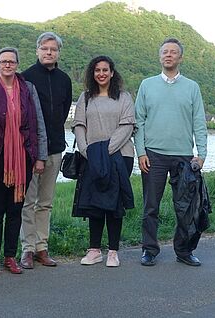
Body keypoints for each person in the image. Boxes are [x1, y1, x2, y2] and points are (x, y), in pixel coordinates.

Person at [135, 38, 208, 267]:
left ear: (180, 58)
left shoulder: (192, 87)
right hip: (153, 155)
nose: (168, 55)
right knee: (151, 206)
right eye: (165, 52)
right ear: (160, 56)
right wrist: (141, 152)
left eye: (173, 52)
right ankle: (149, 250)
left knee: (185, 207)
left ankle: (183, 251)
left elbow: (199, 122)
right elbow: (139, 121)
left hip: (183, 156)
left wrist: (202, 154)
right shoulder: (147, 85)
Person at [0, 47, 47, 277]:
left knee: (16, 209)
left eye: (11, 61)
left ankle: (10, 256)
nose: (7, 65)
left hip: (23, 158)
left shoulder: (28, 89)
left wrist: (40, 157)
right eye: (3, 61)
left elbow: (38, 123)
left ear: (17, 64)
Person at [72, 55, 135, 267]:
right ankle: (94, 250)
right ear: (93, 73)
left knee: (115, 203)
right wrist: (87, 150)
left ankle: (113, 251)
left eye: (105, 70)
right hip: (91, 156)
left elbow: (127, 126)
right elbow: (79, 125)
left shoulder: (124, 97)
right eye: (97, 70)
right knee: (95, 203)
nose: (101, 73)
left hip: (120, 155)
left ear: (112, 72)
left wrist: (105, 150)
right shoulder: (85, 97)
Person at [19, 32, 72, 269]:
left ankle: (42, 247)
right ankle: (27, 249)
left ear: (58, 52)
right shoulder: (26, 78)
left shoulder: (64, 79)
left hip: (55, 148)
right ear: (37, 50)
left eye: (53, 49)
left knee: (46, 202)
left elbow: (62, 114)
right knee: (28, 202)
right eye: (45, 48)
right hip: (29, 151)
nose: (49, 52)